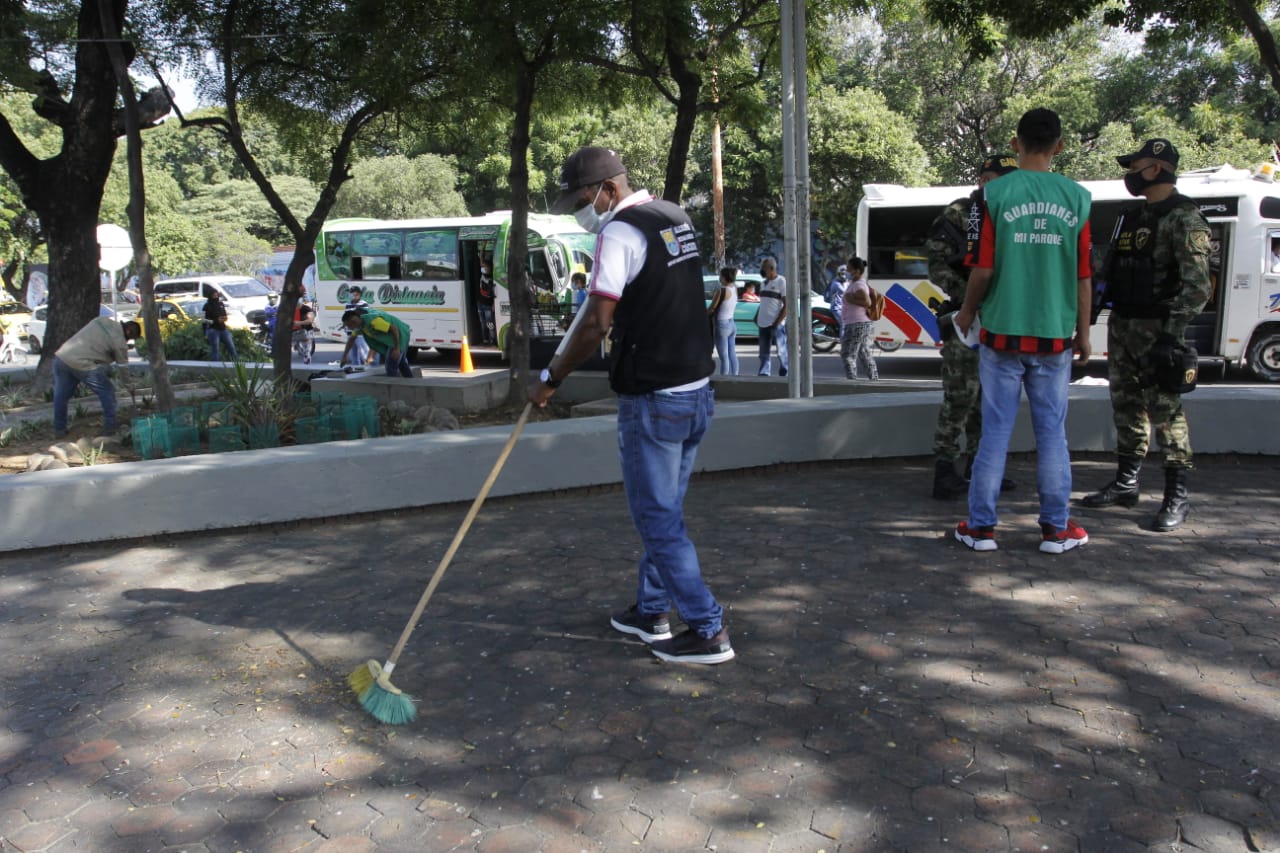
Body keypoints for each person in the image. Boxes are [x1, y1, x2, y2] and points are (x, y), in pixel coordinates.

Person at [531, 145, 732, 665]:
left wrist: (551, 377)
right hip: (694, 392)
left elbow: (598, 321)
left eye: (582, 199)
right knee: (662, 511)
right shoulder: (674, 216)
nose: (582, 210)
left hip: (654, 399)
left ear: (608, 190)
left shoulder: (619, 231)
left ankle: (707, 629)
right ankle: (651, 611)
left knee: (657, 518)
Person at [952, 107, 1093, 555]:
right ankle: (1055, 529)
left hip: (1001, 333)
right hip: (1055, 335)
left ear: (1015, 145)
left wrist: (967, 312)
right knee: (1052, 432)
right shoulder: (1078, 198)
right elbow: (1084, 276)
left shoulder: (993, 194)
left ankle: (980, 529)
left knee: (995, 431)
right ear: (1059, 146)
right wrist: (1084, 333)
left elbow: (983, 270)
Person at [1079, 138, 1212, 532]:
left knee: (1167, 414)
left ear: (1155, 168)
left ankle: (1177, 496)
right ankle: (1125, 485)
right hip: (1123, 325)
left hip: (1158, 331)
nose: (1129, 174)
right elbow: (1110, 270)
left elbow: (1198, 287)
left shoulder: (1184, 218)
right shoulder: (1131, 217)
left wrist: (1172, 336)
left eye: (1134, 166)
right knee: (1126, 407)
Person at [926, 153, 1019, 499]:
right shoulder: (959, 214)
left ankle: (982, 467)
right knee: (960, 397)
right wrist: (971, 297)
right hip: (966, 319)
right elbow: (936, 266)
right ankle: (945, 470)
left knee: (990, 399)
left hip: (1003, 319)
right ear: (985, 180)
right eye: (1001, 179)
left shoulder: (1013, 215)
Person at [52, 318, 141, 437]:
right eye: (130, 338)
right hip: (82, 363)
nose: (128, 341)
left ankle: (59, 429)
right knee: (107, 391)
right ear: (128, 332)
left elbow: (97, 343)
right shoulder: (120, 342)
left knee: (61, 397)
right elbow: (123, 367)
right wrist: (129, 386)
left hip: (62, 358)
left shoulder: (102, 321)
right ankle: (110, 429)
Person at [341, 307, 414, 377]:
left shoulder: (374, 322)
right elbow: (351, 339)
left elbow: (394, 329)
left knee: (391, 365)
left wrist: (397, 348)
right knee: (401, 363)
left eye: (348, 325)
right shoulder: (360, 325)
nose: (348, 328)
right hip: (394, 337)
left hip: (401, 334)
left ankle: (393, 387)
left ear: (353, 321)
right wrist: (344, 357)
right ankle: (411, 383)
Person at [840, 256, 879, 380]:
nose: (846, 271)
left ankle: (852, 382)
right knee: (863, 352)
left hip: (856, 323)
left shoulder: (859, 285)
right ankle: (874, 379)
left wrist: (850, 299)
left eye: (849, 269)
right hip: (861, 323)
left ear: (856, 271)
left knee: (848, 354)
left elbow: (867, 302)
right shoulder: (856, 283)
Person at [756, 258, 788, 377]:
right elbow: (763, 303)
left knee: (781, 351)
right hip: (762, 323)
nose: (762, 271)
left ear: (771, 269)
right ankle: (764, 373)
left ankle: (785, 371)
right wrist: (757, 317)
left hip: (776, 324)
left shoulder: (781, 281)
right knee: (764, 352)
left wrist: (777, 322)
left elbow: (787, 305)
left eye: (764, 269)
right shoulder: (763, 284)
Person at [708, 266, 739, 375]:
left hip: (722, 325)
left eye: (720, 275)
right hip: (731, 323)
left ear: (724, 277)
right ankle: (735, 377)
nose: (719, 278)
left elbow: (712, 308)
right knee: (732, 353)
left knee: (724, 356)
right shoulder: (734, 289)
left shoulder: (721, 291)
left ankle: (724, 379)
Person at [202, 291, 237, 362]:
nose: (216, 297)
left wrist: (224, 318)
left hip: (223, 329)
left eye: (216, 295)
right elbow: (204, 320)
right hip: (213, 330)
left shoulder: (221, 304)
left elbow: (224, 314)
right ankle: (216, 366)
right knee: (215, 350)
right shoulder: (207, 306)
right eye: (214, 295)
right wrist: (215, 321)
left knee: (231, 347)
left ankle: (237, 363)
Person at [345, 286, 373, 366]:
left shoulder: (363, 304)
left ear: (359, 294)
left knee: (364, 352)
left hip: (359, 333)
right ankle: (356, 369)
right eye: (351, 293)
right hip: (350, 333)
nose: (353, 295)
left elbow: (364, 317)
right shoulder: (348, 304)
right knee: (353, 355)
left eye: (355, 294)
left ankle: (368, 368)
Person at [478, 257, 497, 344]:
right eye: (483, 267)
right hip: (480, 303)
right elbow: (481, 262)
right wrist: (483, 247)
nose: (484, 268)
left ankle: (493, 339)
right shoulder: (482, 274)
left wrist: (493, 303)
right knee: (483, 323)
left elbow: (494, 292)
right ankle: (485, 339)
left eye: (486, 267)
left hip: (488, 304)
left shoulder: (492, 277)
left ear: (490, 268)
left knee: (489, 323)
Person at [292, 299, 316, 364]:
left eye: (297, 305)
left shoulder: (306, 309)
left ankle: (307, 362)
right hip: (293, 332)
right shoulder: (289, 309)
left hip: (306, 331)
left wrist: (299, 323)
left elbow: (310, 320)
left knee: (307, 352)